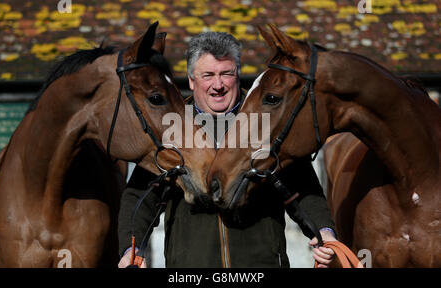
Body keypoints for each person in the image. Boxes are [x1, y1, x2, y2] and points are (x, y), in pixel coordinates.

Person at [118, 32, 336, 268]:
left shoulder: (268, 124)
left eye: (226, 74)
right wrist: (132, 248)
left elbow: (303, 186)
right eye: (208, 75)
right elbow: (141, 196)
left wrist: (324, 231)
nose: (218, 85)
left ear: (238, 75)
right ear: (191, 80)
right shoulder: (170, 127)